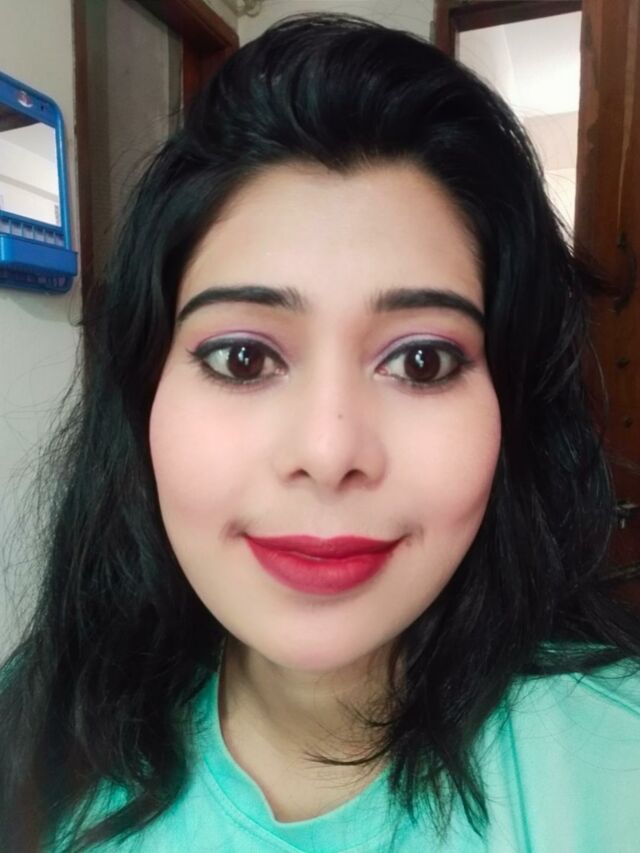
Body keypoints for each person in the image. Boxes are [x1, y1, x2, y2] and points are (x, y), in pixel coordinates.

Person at [1, 12, 639, 853]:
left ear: (511, 409)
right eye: (242, 357)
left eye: (421, 361)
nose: (330, 452)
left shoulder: (615, 761)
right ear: (143, 393)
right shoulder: (35, 726)